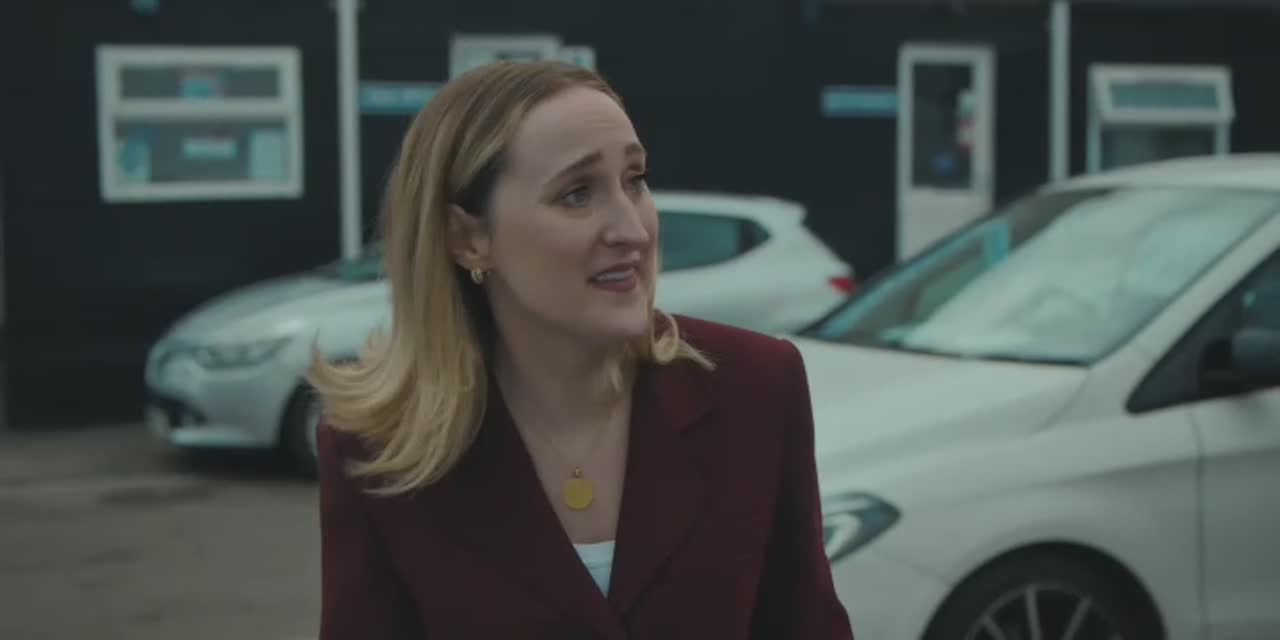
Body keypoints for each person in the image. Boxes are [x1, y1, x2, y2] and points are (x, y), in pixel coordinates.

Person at [309, 60, 854, 639]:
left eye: (635, 180)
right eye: (577, 194)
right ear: (468, 238)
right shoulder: (377, 448)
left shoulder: (755, 387)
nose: (633, 230)